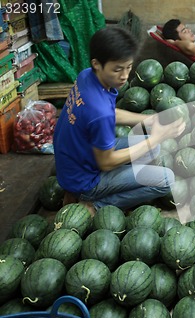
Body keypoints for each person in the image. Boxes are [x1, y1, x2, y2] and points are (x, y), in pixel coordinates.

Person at [53, 27, 186, 215]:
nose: (124, 75)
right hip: (85, 179)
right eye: (117, 69)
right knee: (166, 179)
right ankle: (94, 205)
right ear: (97, 64)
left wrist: (148, 119)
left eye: (129, 67)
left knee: (152, 150)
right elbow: (106, 163)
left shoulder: (86, 76)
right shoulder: (99, 112)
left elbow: (110, 112)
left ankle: (78, 191)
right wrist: (155, 138)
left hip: (71, 164)